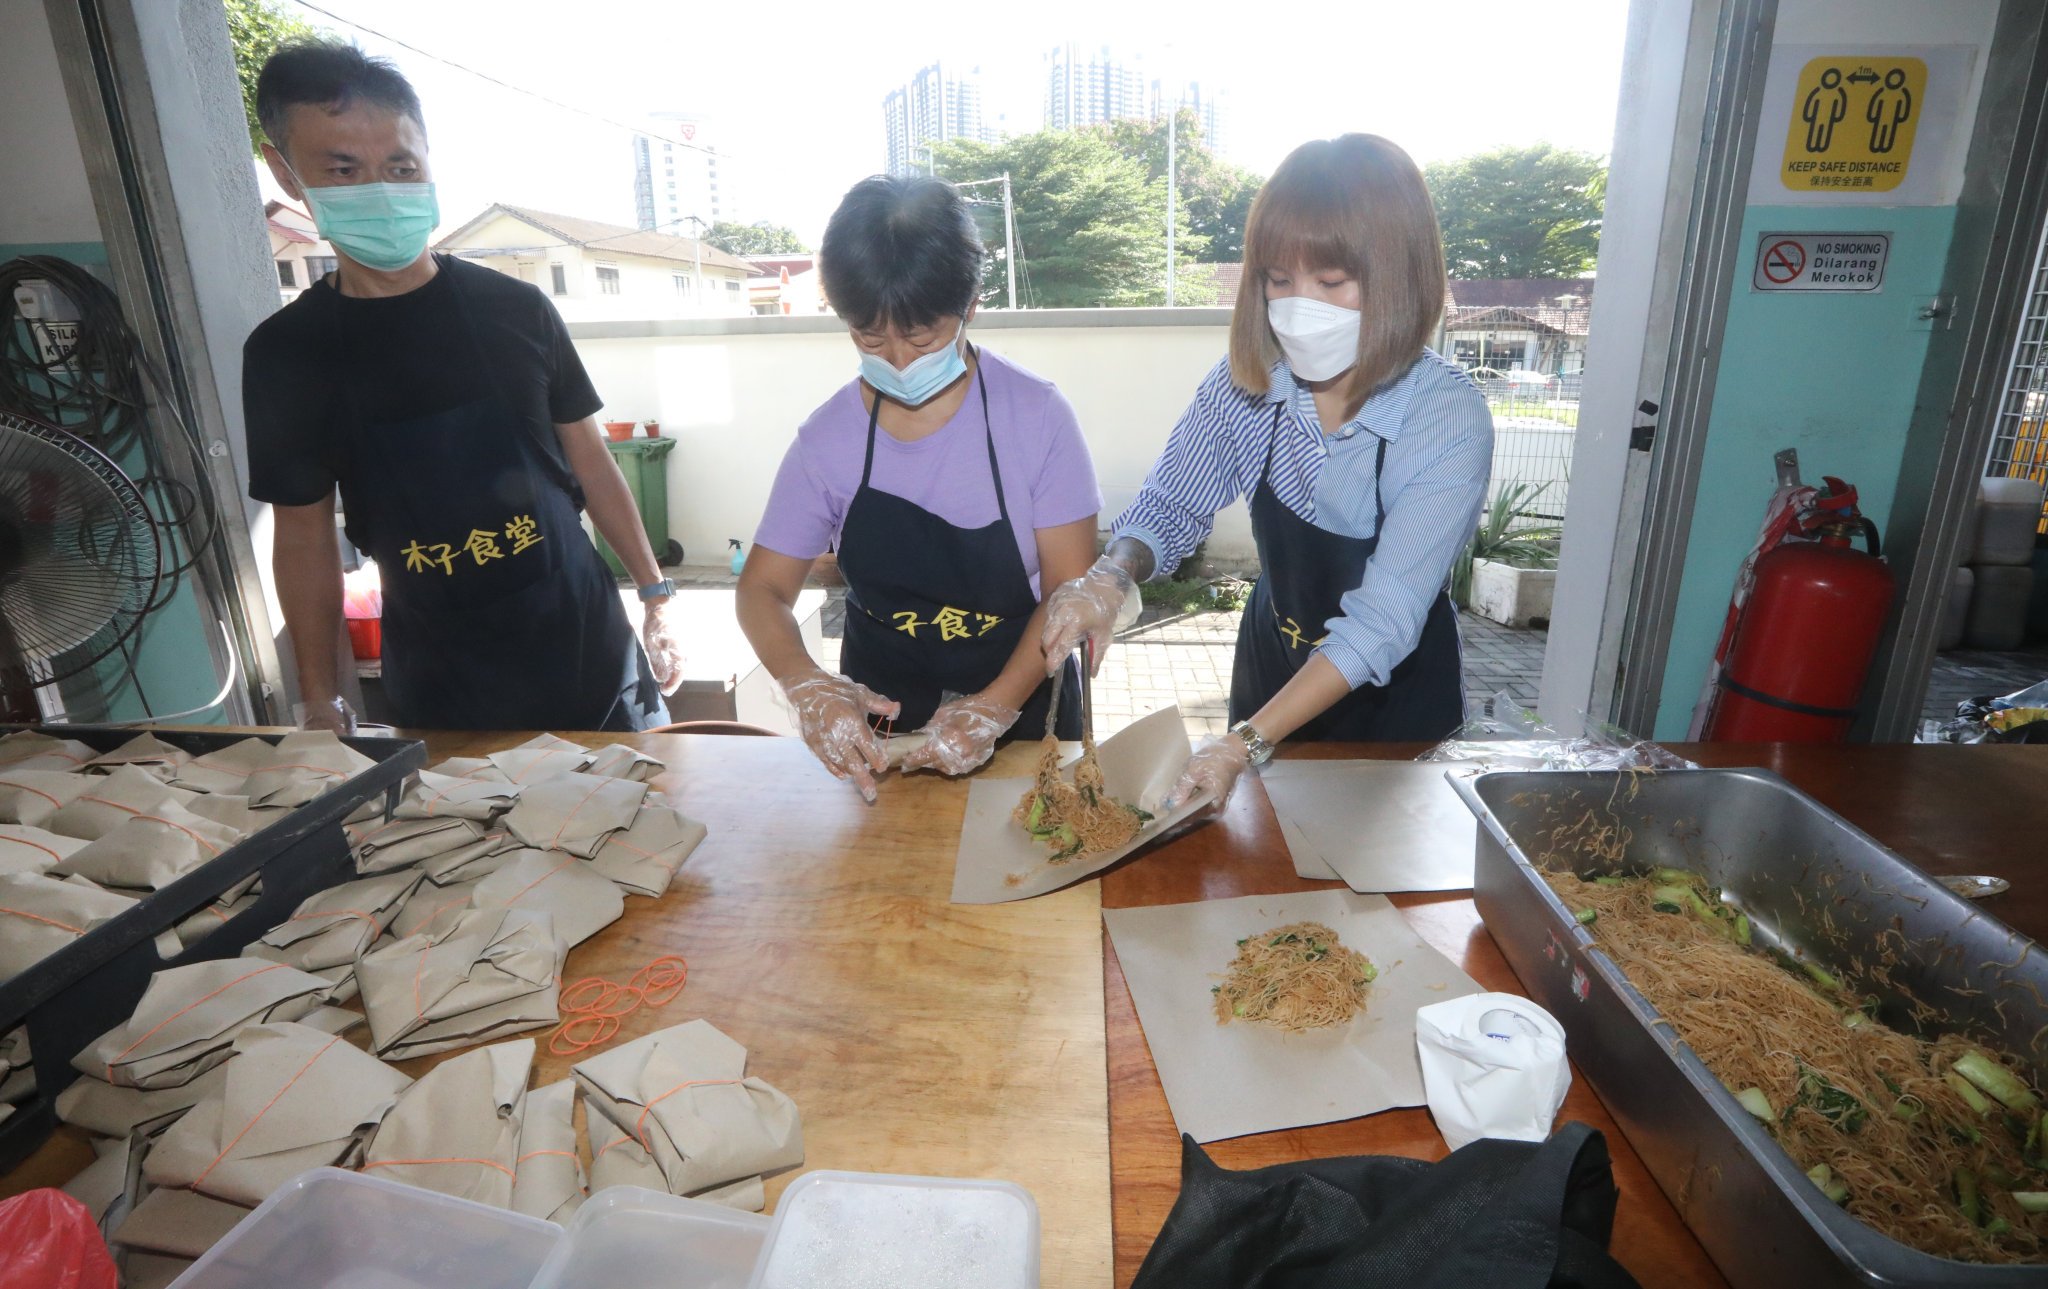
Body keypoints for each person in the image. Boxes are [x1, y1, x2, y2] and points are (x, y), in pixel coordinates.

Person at [243, 42, 684, 732]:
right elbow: (302, 536)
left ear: (427, 161)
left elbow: (590, 459)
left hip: (587, 652)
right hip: (445, 681)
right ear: (287, 174)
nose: (380, 189)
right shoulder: (285, 354)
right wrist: (318, 694)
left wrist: (655, 594)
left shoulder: (516, 310)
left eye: (399, 166)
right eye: (344, 169)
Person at [1041, 134, 1491, 809]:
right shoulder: (1246, 388)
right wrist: (1111, 575)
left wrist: (1243, 742)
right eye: (1279, 281)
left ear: (1400, 277)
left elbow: (1382, 621)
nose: (1297, 308)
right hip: (1271, 669)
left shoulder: (1444, 417)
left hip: (1394, 711)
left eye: (1331, 283)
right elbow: (1168, 506)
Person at [737, 176, 1100, 801]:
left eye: (923, 338)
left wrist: (992, 708)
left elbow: (1069, 588)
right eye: (871, 339)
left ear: (972, 305)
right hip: (882, 722)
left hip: (1020, 705)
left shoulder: (1036, 417)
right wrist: (807, 684)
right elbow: (762, 589)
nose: (900, 362)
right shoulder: (827, 440)